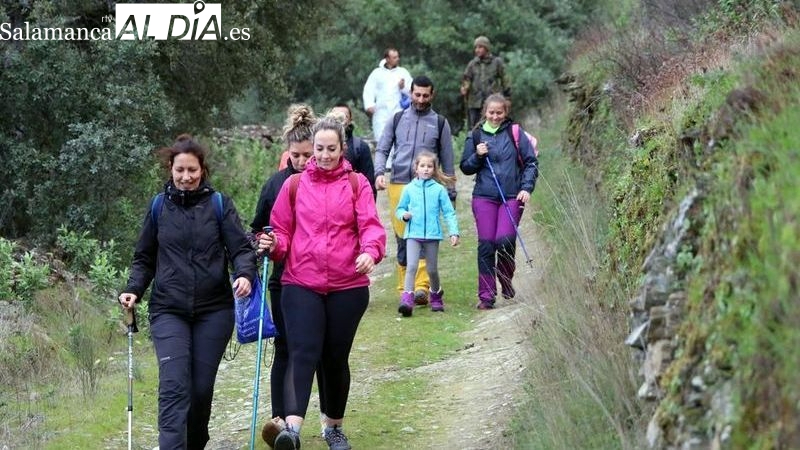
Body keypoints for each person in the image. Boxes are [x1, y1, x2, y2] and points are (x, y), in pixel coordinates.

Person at [118, 134, 256, 450]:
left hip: (215, 310)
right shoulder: (158, 207)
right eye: (180, 170)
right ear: (171, 168)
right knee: (173, 385)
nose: (186, 177)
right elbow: (144, 258)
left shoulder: (219, 204)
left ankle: (195, 443)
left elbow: (240, 250)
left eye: (192, 170)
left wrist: (245, 275)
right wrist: (133, 289)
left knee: (200, 390)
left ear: (202, 169)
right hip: (168, 309)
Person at [258, 112, 386, 450]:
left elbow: (371, 226)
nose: (325, 155)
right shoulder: (294, 185)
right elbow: (282, 232)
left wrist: (370, 252)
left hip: (348, 284)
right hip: (301, 281)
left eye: (331, 149)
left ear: (343, 148)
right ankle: (292, 431)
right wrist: (274, 244)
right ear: (312, 148)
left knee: (334, 358)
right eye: (319, 148)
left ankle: (334, 428)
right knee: (302, 352)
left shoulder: (357, 184)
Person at [250, 104, 317, 447]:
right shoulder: (275, 184)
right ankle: (280, 422)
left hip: (318, 279)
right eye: (296, 155)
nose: (302, 162)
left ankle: (313, 418)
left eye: (308, 155)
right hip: (282, 278)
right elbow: (255, 229)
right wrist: (261, 242)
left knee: (310, 349)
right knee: (285, 346)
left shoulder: (326, 184)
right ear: (287, 152)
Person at [374, 75, 456, 306]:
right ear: (410, 93)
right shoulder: (397, 119)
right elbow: (382, 148)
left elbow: (448, 159)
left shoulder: (440, 122)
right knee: (403, 236)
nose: (420, 99)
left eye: (425, 95)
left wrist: (451, 191)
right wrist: (379, 172)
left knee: (423, 233)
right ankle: (405, 288)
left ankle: (421, 287)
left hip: (428, 186)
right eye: (417, 94)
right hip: (399, 183)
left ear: (432, 95)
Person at [460, 94, 538, 310]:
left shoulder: (515, 132)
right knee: (486, 245)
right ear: (485, 112)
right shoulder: (475, 135)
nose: (495, 117)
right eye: (491, 112)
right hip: (483, 196)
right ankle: (486, 296)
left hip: (512, 196)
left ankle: (505, 279)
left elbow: (531, 162)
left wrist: (526, 187)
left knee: (504, 240)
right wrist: (477, 155)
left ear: (506, 113)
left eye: (499, 113)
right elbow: (465, 167)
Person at [395, 151, 460, 316]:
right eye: (422, 166)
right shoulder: (409, 189)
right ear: (416, 168)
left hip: (432, 235)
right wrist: (404, 215)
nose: (425, 169)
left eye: (429, 166)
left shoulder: (439, 190)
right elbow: (400, 209)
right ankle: (407, 300)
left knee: (431, 270)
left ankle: (436, 296)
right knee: (411, 267)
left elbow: (448, 212)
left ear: (434, 169)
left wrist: (454, 232)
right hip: (413, 234)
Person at [362, 47, 412, 145]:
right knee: (381, 140)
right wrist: (369, 105)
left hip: (398, 111)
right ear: (387, 59)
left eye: (397, 57)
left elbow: (412, 91)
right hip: (381, 112)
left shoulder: (403, 72)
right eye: (394, 57)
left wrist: (403, 87)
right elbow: (369, 89)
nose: (397, 59)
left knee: (398, 139)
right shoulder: (377, 73)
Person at [460, 36, 511, 130]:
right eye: (476, 47)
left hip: (492, 102)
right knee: (474, 128)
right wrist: (465, 87)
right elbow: (466, 78)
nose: (477, 50)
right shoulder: (473, 64)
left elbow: (505, 80)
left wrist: (507, 97)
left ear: (486, 48)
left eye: (480, 47)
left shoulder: (496, 62)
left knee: (494, 126)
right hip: (475, 102)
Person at [331, 103, 377, 199]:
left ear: (350, 120)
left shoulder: (361, 147)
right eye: (335, 116)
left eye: (344, 116)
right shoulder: (320, 145)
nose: (339, 120)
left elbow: (369, 184)